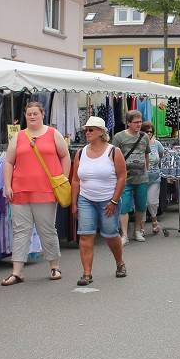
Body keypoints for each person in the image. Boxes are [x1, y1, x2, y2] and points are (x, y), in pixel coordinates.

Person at [1, 102, 70, 285]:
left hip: (46, 191)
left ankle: (55, 266)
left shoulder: (53, 134)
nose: (32, 117)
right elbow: (8, 162)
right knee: (21, 231)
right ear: (25, 116)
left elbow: (65, 156)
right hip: (21, 190)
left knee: (47, 229)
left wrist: (62, 179)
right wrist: (7, 186)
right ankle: (17, 272)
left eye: (35, 114)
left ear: (42, 114)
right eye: (29, 114)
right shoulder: (18, 136)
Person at [71, 116, 127, 284]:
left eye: (91, 130)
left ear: (101, 132)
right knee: (85, 236)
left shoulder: (113, 151)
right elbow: (75, 179)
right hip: (86, 199)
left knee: (110, 235)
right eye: (86, 130)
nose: (87, 132)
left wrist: (114, 201)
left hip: (108, 200)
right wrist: (74, 203)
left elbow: (122, 177)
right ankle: (87, 273)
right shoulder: (80, 153)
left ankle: (120, 262)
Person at [112, 109, 150, 244]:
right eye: (136, 122)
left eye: (140, 122)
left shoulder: (144, 137)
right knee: (124, 206)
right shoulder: (119, 137)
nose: (139, 124)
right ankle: (124, 234)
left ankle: (137, 230)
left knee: (141, 206)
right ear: (128, 123)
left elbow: (146, 154)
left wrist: (147, 169)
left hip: (141, 178)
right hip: (125, 179)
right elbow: (113, 156)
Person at [141, 121, 164, 235]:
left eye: (151, 131)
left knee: (152, 202)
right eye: (146, 131)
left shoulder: (157, 144)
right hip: (140, 178)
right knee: (141, 203)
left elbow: (161, 155)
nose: (149, 133)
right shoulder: (139, 143)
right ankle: (142, 226)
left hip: (154, 177)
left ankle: (154, 219)